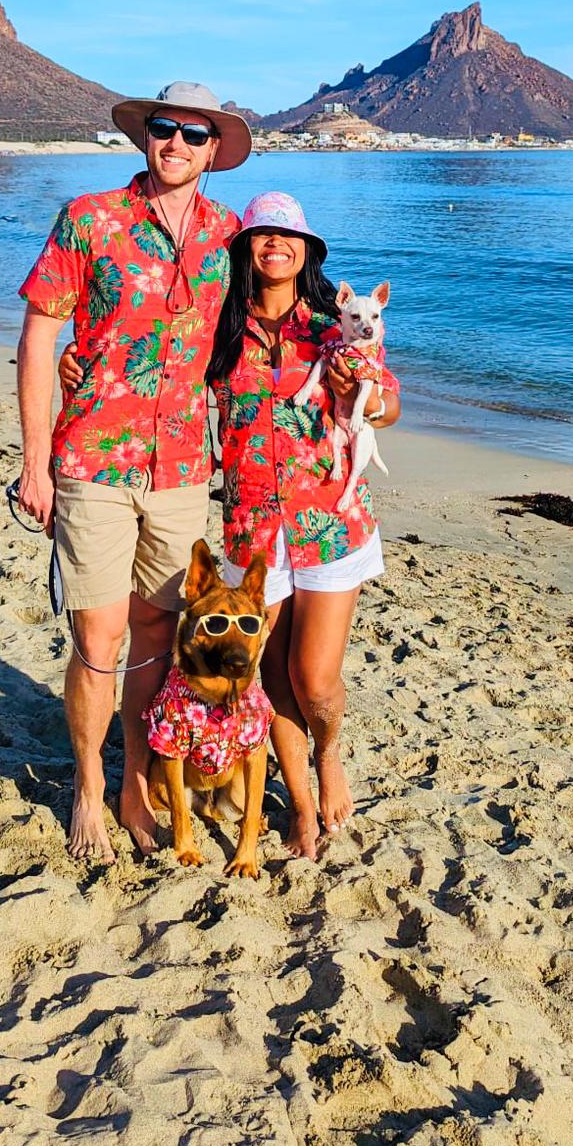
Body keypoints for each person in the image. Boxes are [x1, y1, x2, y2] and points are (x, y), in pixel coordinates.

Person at [15, 82, 251, 862]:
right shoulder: (90, 219)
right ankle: (89, 787)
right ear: (143, 137)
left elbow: (268, 328)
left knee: (157, 633)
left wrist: (358, 376)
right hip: (92, 458)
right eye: (164, 129)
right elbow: (41, 338)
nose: (176, 144)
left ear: (213, 149)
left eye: (193, 134)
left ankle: (134, 782)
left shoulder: (231, 235)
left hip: (186, 465)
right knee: (99, 637)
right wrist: (35, 462)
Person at [205, 193, 400, 859]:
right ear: (248, 248)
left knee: (314, 680)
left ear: (307, 251)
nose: (275, 246)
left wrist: (360, 401)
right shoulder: (219, 325)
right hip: (254, 529)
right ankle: (305, 803)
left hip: (330, 521)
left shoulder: (335, 324)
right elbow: (164, 377)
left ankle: (330, 751)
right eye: (262, 235)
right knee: (273, 677)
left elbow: (391, 403)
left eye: (289, 237)